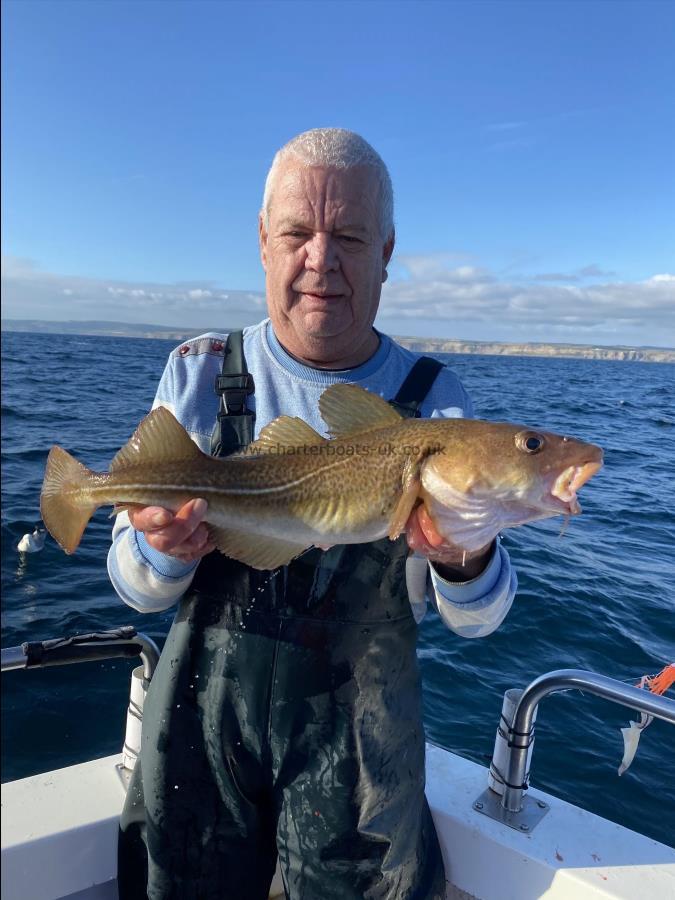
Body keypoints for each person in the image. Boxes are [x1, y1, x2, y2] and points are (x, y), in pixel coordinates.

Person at [111, 128, 517, 900]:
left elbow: (477, 621)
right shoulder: (198, 372)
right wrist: (161, 548)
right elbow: (135, 588)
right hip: (198, 748)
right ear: (264, 243)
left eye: (350, 236)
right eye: (297, 233)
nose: (320, 259)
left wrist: (462, 556)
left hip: (359, 768)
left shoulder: (435, 402)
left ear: (387, 252)